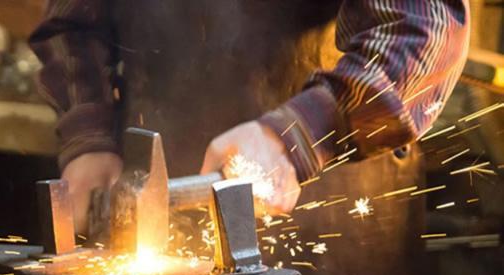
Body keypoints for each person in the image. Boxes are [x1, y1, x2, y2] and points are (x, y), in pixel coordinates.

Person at [29, 0, 470, 235]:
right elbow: (71, 27)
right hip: (153, 197)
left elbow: (425, 29)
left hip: (331, 214)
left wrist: (295, 135)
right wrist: (88, 135)